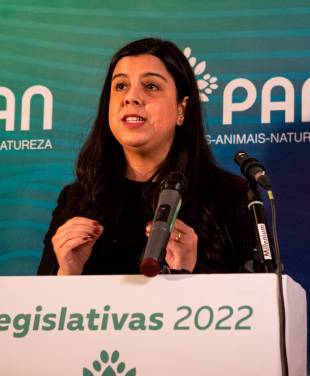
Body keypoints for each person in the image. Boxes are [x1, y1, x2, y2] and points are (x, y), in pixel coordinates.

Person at [37, 38, 256, 276]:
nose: (131, 97)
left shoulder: (231, 195)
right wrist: (68, 272)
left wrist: (189, 272)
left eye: (150, 86)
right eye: (120, 86)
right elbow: (42, 310)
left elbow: (255, 305)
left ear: (181, 109)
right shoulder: (77, 200)